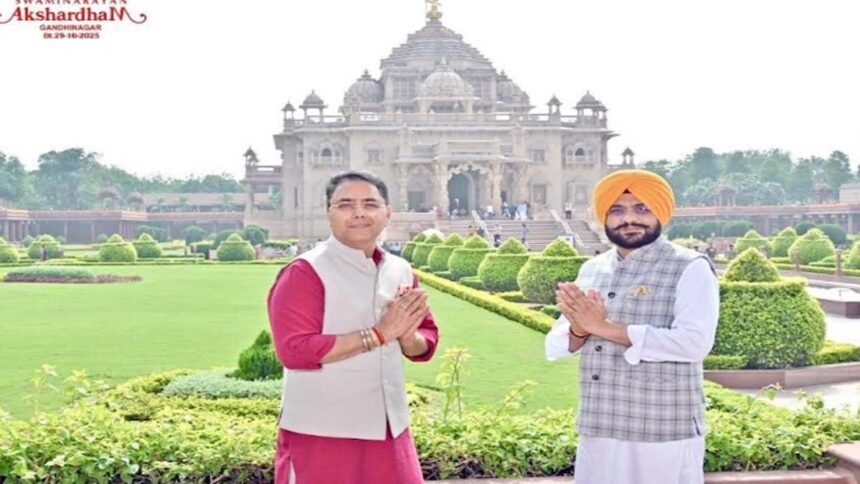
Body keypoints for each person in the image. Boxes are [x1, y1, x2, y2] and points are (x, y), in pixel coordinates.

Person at [544, 169, 719, 484]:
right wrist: (581, 330)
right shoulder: (593, 269)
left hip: (663, 427)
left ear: (659, 213)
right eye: (617, 210)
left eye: (642, 208)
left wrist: (605, 326)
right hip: (600, 424)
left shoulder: (689, 266)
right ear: (604, 218)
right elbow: (556, 345)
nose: (629, 219)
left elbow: (694, 343)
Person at [268, 171, 440, 484]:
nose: (359, 212)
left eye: (370, 204)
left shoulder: (399, 269)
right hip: (322, 431)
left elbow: (424, 343)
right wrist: (379, 334)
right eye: (346, 204)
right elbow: (294, 351)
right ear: (328, 213)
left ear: (388, 213)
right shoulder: (305, 272)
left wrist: (406, 334)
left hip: (390, 428)